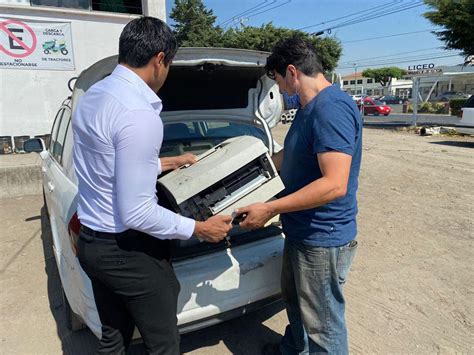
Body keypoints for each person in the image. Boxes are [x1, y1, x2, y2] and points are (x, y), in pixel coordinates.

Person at [73, 17, 232, 355]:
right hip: (126, 252)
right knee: (163, 345)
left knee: (113, 338)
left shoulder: (93, 96)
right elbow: (137, 212)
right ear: (160, 59)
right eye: (170, 64)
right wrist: (200, 228)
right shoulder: (138, 113)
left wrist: (168, 163)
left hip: (91, 242)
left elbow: (107, 164)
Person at [236, 36, 362, 355]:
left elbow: (335, 184)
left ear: (292, 72)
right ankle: (292, 349)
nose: (279, 90)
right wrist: (241, 170)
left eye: (278, 81)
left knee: (324, 325)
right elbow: (289, 157)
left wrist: (269, 208)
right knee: (295, 303)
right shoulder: (309, 108)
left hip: (322, 237)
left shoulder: (330, 109)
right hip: (301, 231)